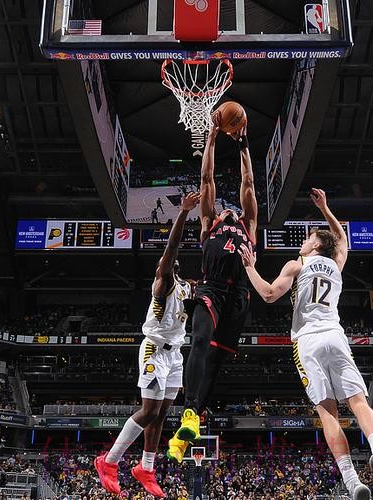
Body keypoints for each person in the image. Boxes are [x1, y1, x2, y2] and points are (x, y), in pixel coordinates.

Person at [237, 188, 373, 500]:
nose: (303, 242)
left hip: (307, 341)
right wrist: (326, 208)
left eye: (307, 238)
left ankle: (353, 482)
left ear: (315, 244)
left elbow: (269, 295)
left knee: (328, 413)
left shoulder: (296, 265)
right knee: (359, 402)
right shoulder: (336, 264)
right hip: (335, 334)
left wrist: (249, 267)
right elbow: (342, 240)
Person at [96, 193, 200, 496]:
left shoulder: (186, 287)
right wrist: (183, 213)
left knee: (161, 413)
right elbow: (172, 248)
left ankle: (146, 467)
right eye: (166, 260)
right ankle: (109, 461)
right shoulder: (164, 282)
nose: (170, 260)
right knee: (149, 411)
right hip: (155, 349)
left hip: (176, 354)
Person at [169, 114, 258, 461]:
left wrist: (244, 145)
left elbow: (248, 182)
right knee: (199, 342)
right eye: (225, 209)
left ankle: (190, 426)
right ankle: (189, 410)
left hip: (239, 298)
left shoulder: (249, 225)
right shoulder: (209, 224)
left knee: (216, 364)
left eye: (235, 209)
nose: (230, 210)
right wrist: (210, 139)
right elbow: (207, 178)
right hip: (211, 290)